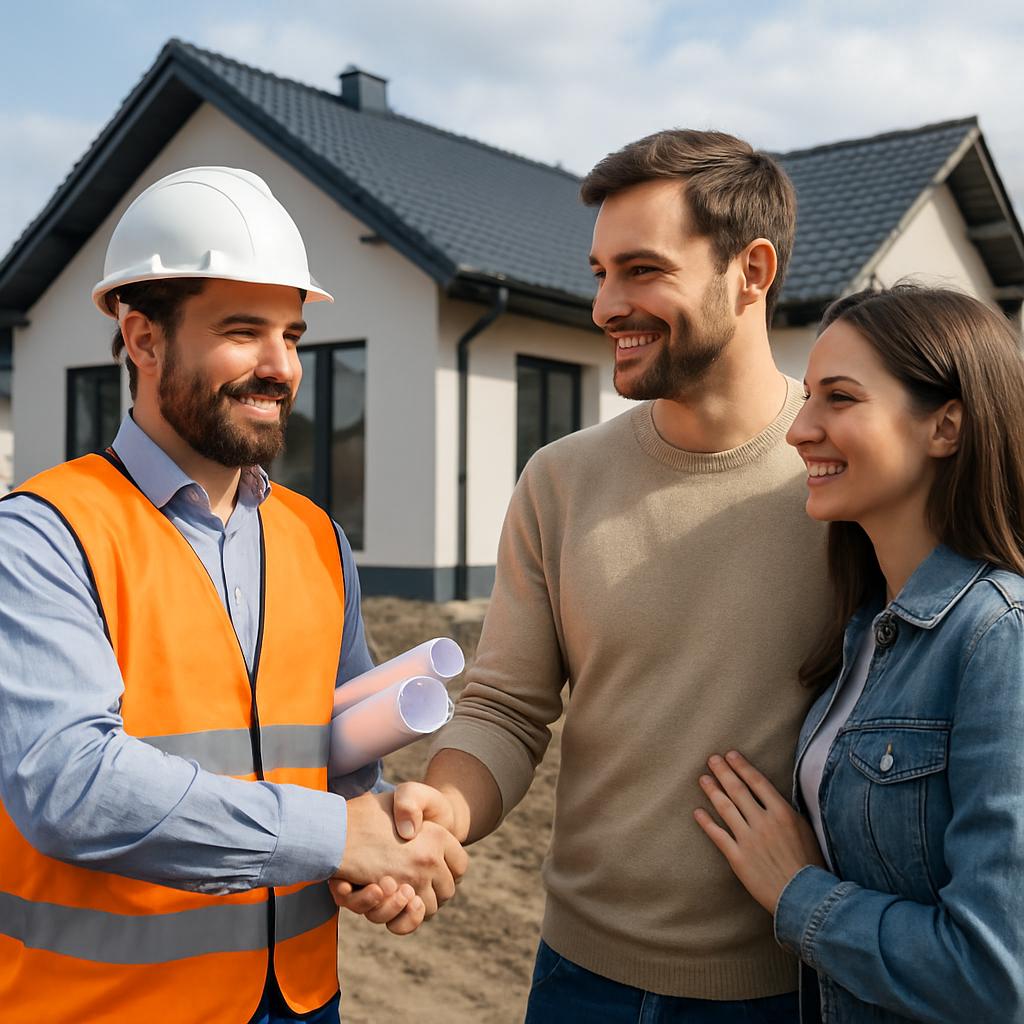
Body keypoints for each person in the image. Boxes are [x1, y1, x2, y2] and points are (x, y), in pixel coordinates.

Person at [339, 130, 831, 1019]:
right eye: (600, 273)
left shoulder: (841, 476)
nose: (605, 305)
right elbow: (506, 706)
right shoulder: (559, 481)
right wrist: (441, 810)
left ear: (751, 271)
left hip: (789, 985)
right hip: (579, 978)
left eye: (642, 270)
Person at [0, 166, 466, 1024]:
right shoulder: (42, 536)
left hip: (301, 999)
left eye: (292, 335)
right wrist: (336, 835)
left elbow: (335, 758)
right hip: (110, 1008)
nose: (281, 367)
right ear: (143, 340)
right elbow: (69, 786)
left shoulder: (316, 538)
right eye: (244, 332)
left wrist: (380, 831)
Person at [695, 284, 1024, 1022]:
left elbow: (999, 975)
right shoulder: (869, 625)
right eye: (808, 396)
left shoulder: (999, 637)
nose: (798, 429)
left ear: (946, 426)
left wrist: (798, 892)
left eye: (839, 398)